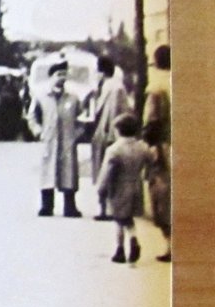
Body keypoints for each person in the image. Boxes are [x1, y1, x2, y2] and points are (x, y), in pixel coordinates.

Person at [26, 59, 84, 217]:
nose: (61, 78)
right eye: (58, 74)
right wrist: (38, 132)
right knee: (48, 173)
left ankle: (70, 207)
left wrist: (76, 134)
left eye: (64, 74)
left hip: (67, 142)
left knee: (68, 174)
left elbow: (82, 118)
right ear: (51, 77)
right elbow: (31, 117)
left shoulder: (72, 98)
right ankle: (47, 206)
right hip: (50, 141)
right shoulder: (41, 97)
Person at [95, 112, 149, 263]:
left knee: (119, 219)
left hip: (119, 188)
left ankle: (120, 250)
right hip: (136, 186)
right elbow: (151, 161)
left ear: (118, 130)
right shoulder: (142, 147)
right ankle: (133, 238)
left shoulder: (114, 150)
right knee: (129, 219)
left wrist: (101, 190)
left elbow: (107, 173)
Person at [89, 56, 131, 220]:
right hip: (102, 134)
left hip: (109, 135)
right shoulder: (105, 86)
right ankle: (105, 208)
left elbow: (114, 113)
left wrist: (111, 134)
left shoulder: (114, 88)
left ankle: (108, 209)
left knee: (108, 173)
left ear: (102, 71)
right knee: (103, 172)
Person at [142, 44, 172, 261]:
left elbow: (152, 122)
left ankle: (171, 246)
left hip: (164, 148)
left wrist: (150, 146)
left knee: (162, 196)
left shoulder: (156, 88)